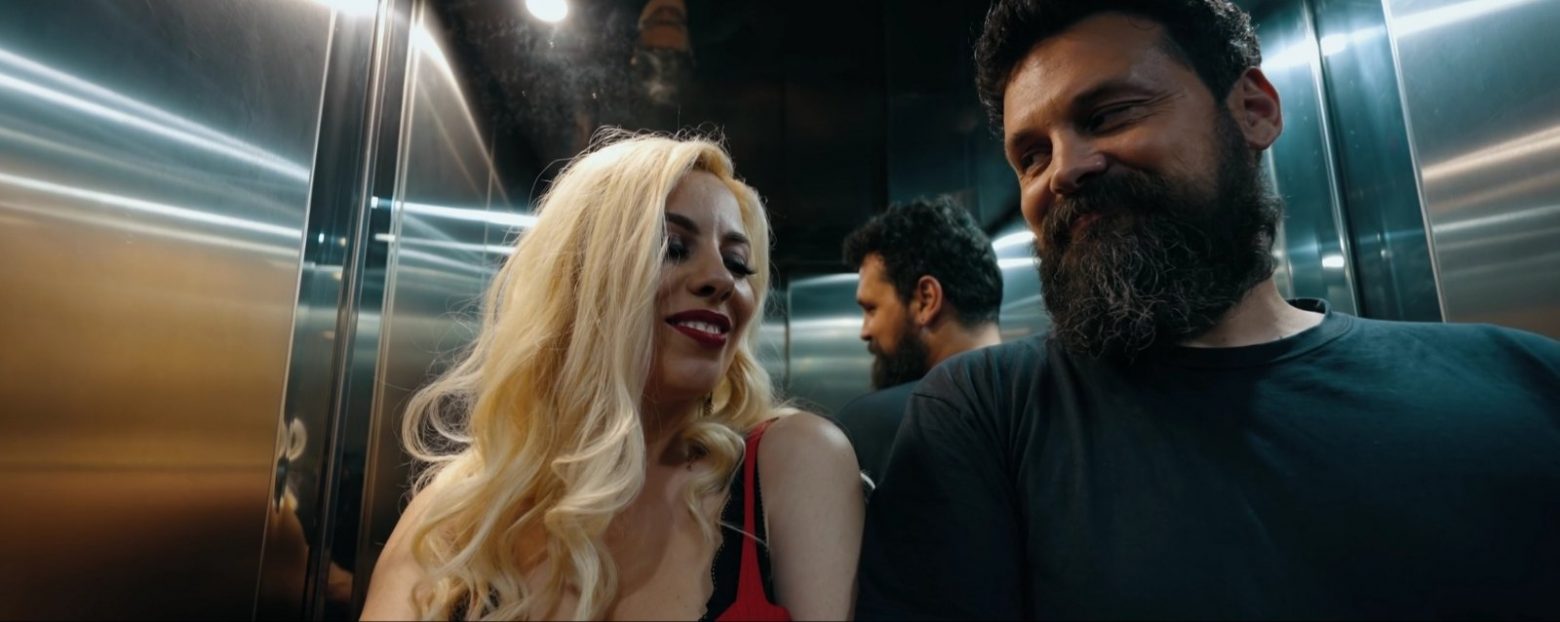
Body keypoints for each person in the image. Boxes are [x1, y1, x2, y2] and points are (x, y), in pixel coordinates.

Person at [856, 1, 1560, 619]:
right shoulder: (988, 414)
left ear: (1254, 110)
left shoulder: (1526, 382)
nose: (1064, 170)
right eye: (1032, 156)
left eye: (1108, 115)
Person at [361, 132, 863, 621]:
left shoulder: (793, 462)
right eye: (673, 246)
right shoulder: (456, 513)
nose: (721, 280)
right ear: (581, 277)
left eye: (737, 263)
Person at [834, 197, 1003, 483]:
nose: (865, 330)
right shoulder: (1057, 408)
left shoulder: (875, 426)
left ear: (926, 299)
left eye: (871, 309)